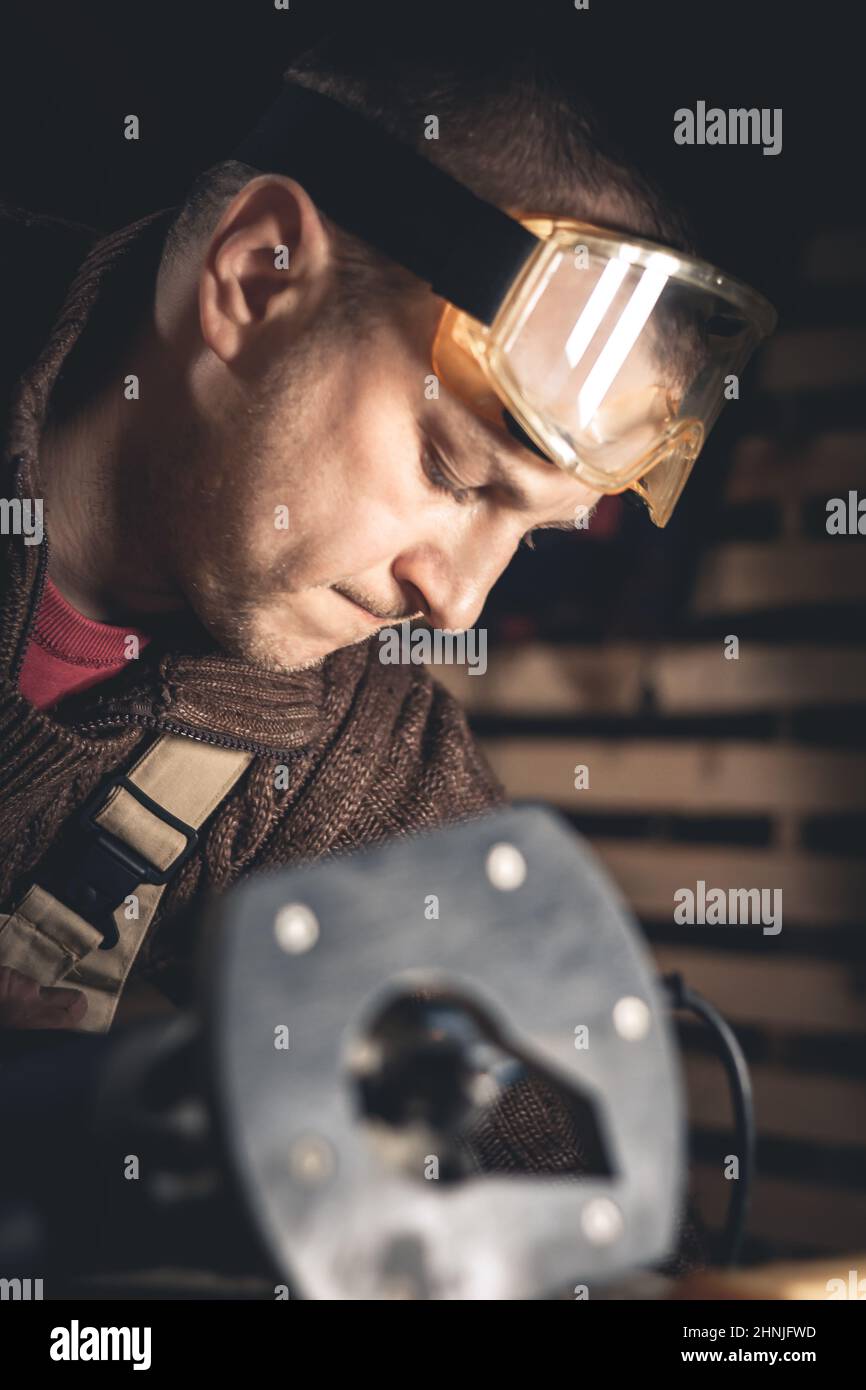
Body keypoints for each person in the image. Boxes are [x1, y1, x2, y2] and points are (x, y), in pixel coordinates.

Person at [0, 35, 772, 1275]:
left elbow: (556, 1195)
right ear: (258, 277)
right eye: (453, 472)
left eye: (534, 528)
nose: (456, 600)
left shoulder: (328, 734)